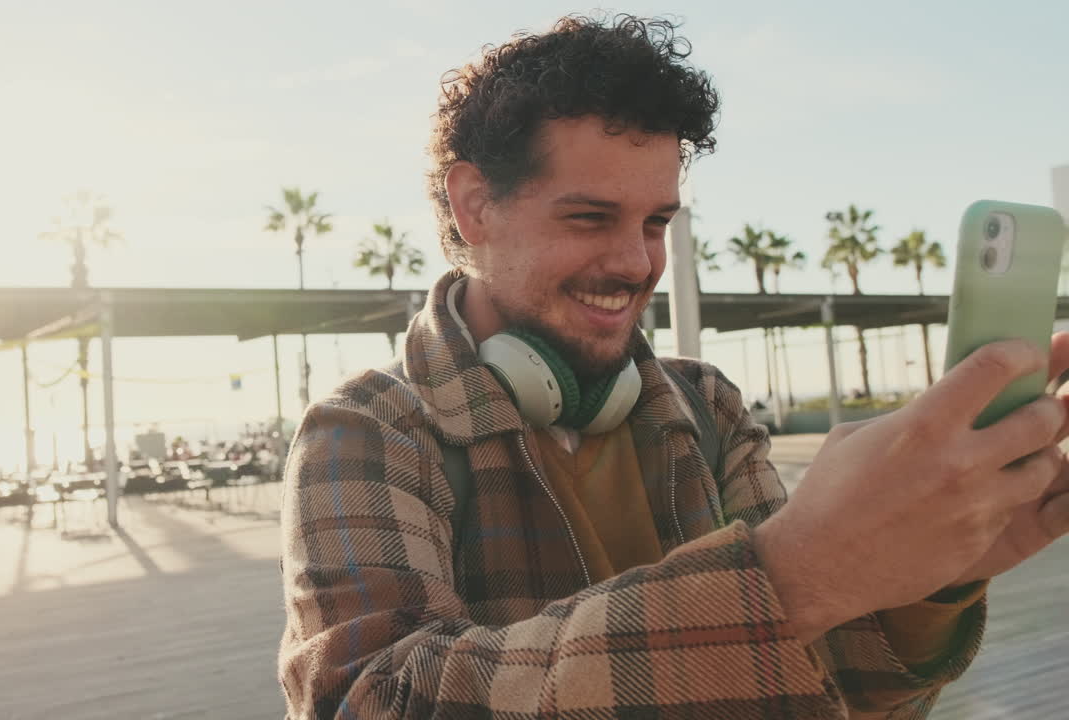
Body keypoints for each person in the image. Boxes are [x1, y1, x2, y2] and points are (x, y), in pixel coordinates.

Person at [277, 14, 1069, 718]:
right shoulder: (366, 431)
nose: (635, 262)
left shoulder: (707, 406)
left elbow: (837, 689)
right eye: (590, 217)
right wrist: (784, 579)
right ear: (474, 205)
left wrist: (926, 581)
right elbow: (369, 701)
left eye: (656, 222)